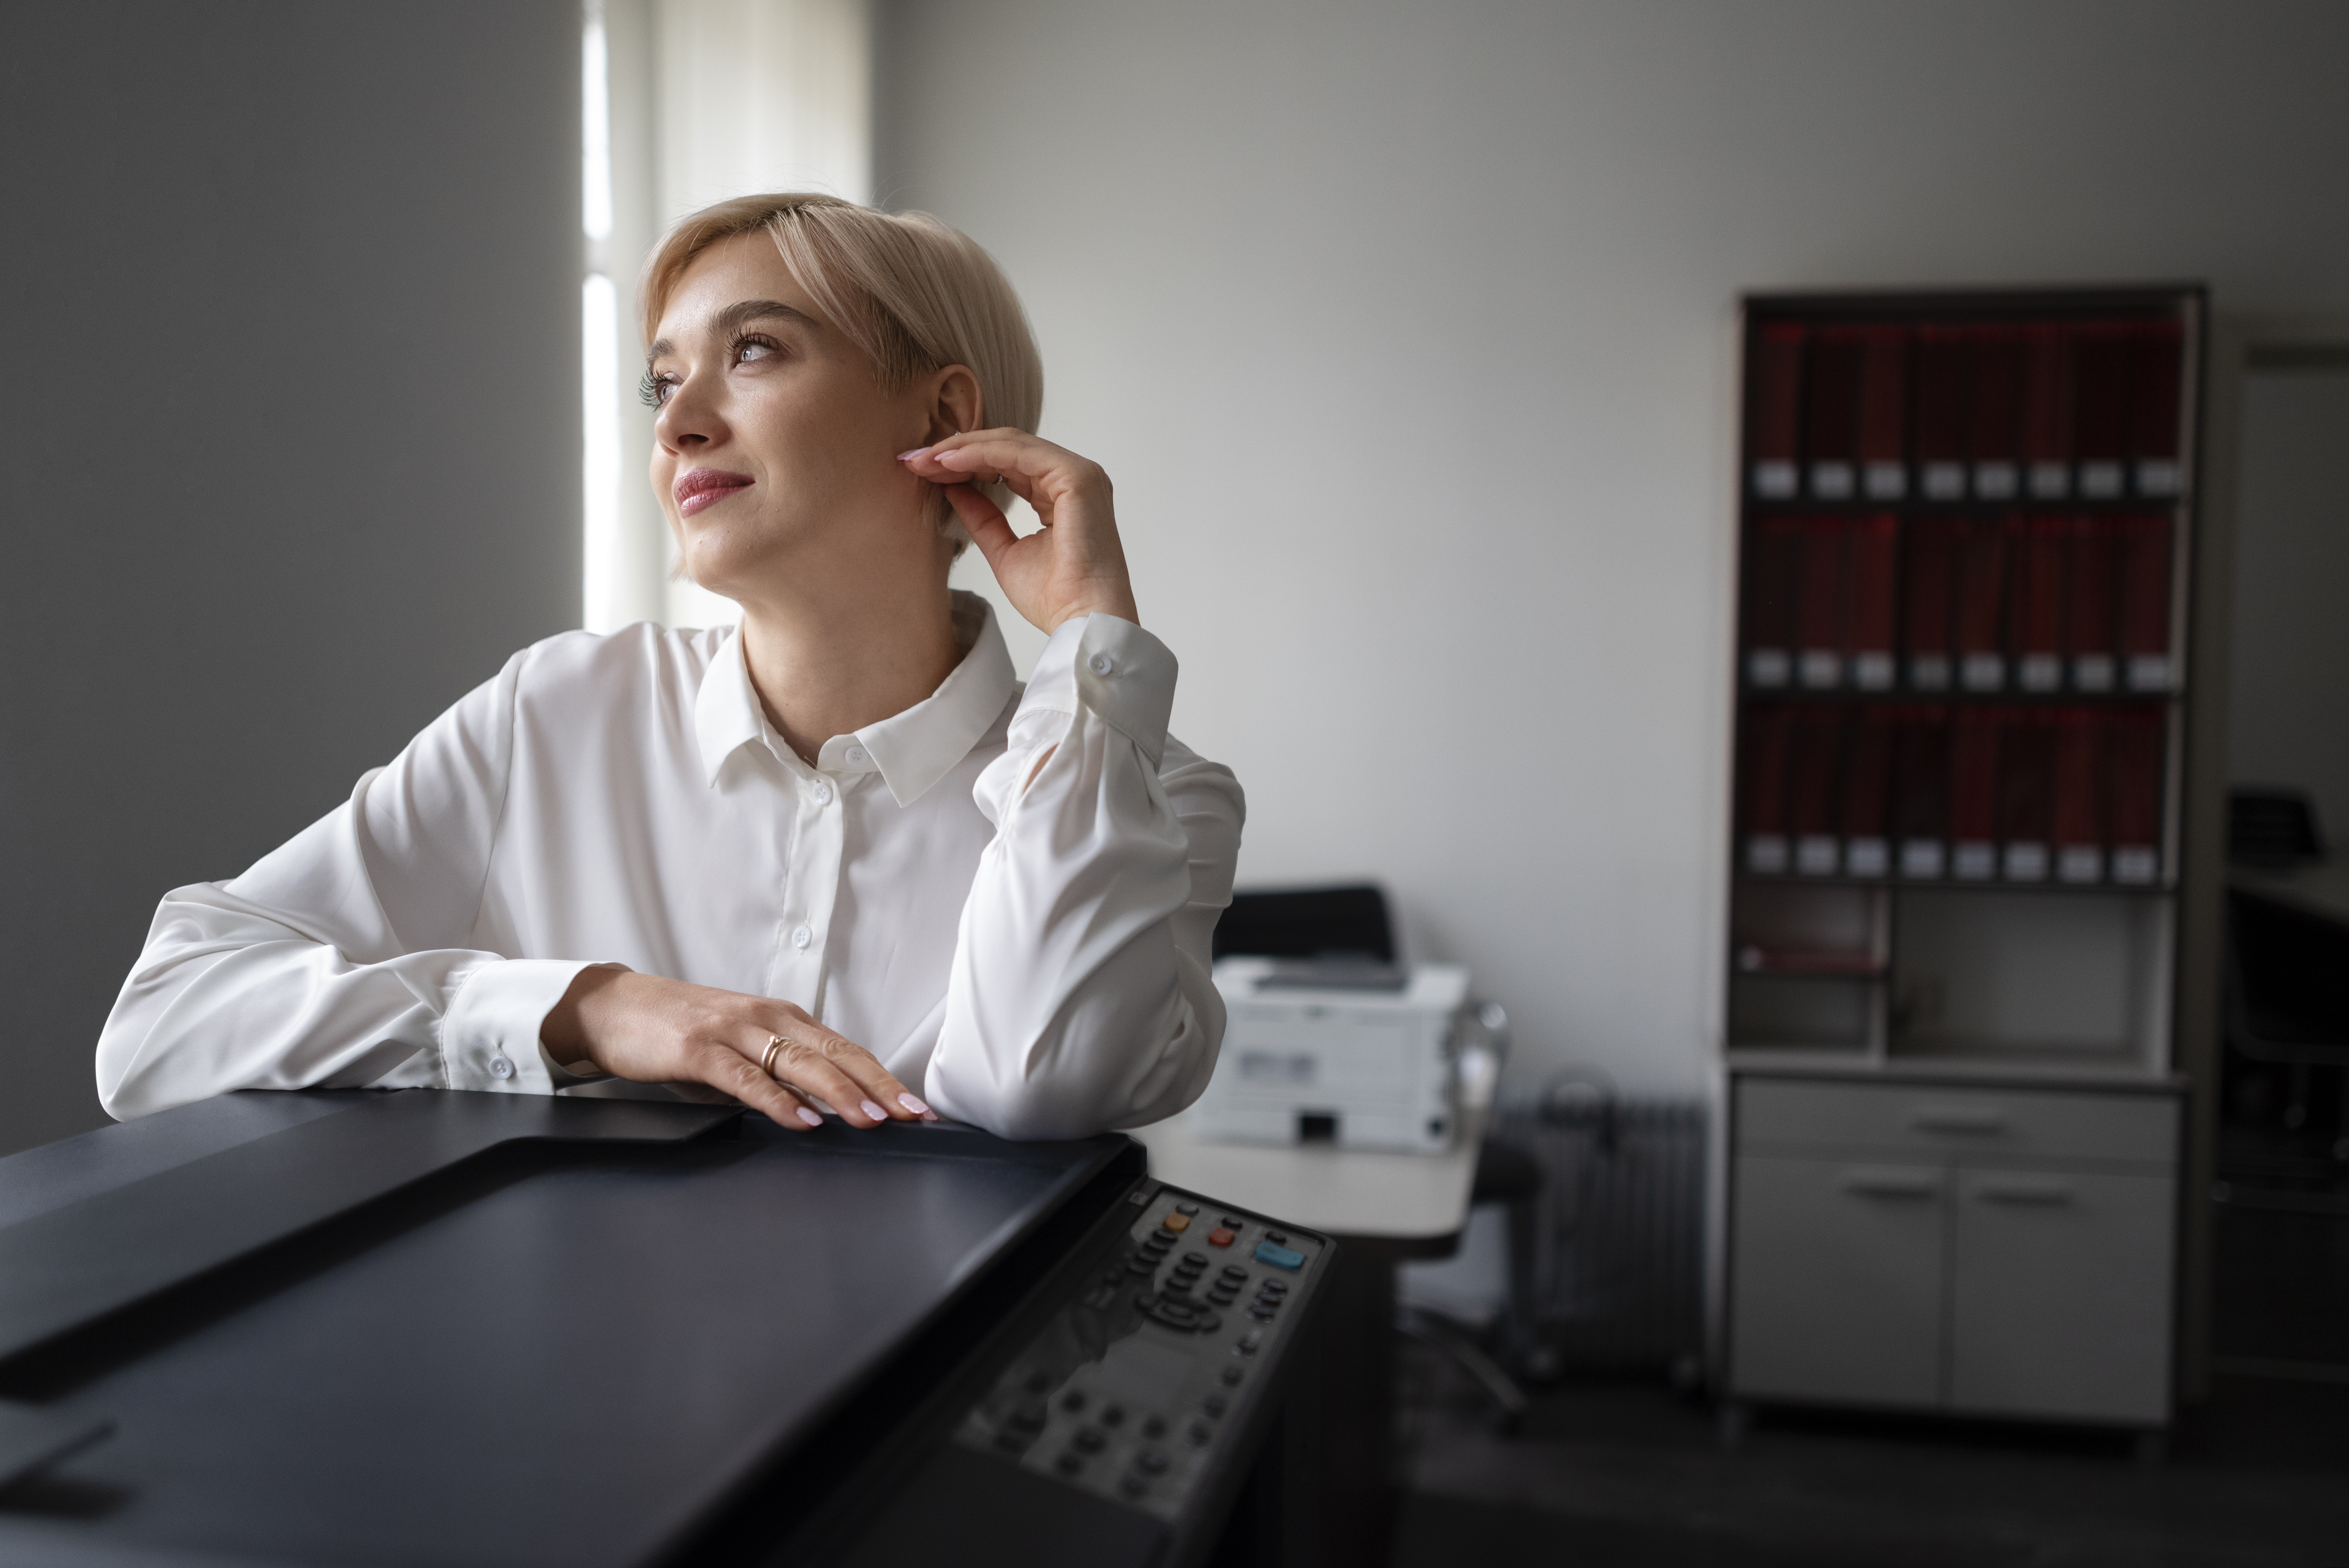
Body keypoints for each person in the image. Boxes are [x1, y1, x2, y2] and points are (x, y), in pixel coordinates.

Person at [95, 193, 1243, 1141]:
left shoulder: (1152, 796)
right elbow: (161, 1021)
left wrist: (1091, 636)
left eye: (751, 351)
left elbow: (1042, 1086)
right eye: (661, 381)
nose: (678, 423)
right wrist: (584, 1008)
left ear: (942, 415)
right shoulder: (551, 715)